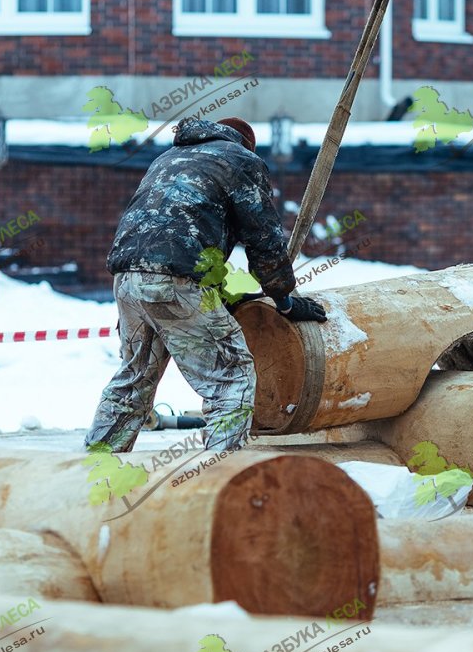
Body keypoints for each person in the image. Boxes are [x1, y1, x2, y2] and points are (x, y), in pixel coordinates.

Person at [86, 115, 326, 453]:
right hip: (176, 279)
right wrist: (284, 297)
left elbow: (184, 229)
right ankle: (220, 478)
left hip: (127, 278)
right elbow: (264, 240)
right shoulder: (242, 160)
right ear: (247, 144)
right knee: (232, 375)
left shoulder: (168, 158)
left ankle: (96, 465)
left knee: (135, 377)